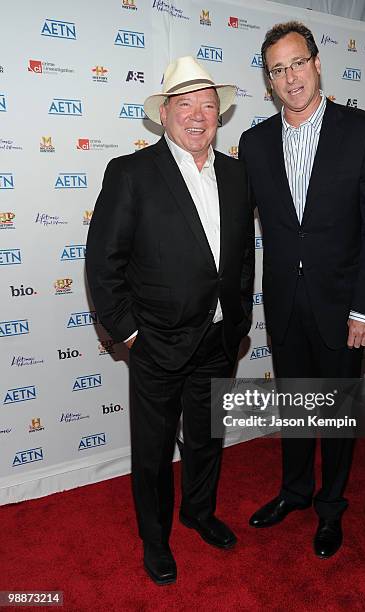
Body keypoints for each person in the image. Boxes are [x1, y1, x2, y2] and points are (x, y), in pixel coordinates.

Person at [86, 56, 254, 585]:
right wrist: (130, 333)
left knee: (207, 438)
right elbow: (103, 263)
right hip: (156, 342)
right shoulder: (130, 173)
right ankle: (155, 540)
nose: (198, 115)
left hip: (218, 338)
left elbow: (242, 255)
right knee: (155, 452)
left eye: (208, 104)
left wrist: (240, 319)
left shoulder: (235, 173)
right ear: (164, 114)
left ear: (219, 114)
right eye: (186, 104)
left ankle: (199, 514)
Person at [239, 21, 365, 559]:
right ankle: (295, 492)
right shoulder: (254, 143)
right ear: (269, 79)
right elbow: (238, 228)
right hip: (284, 304)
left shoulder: (364, 131)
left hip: (343, 306)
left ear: (318, 63)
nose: (290, 77)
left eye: (297, 63)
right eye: (277, 68)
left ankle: (331, 508)